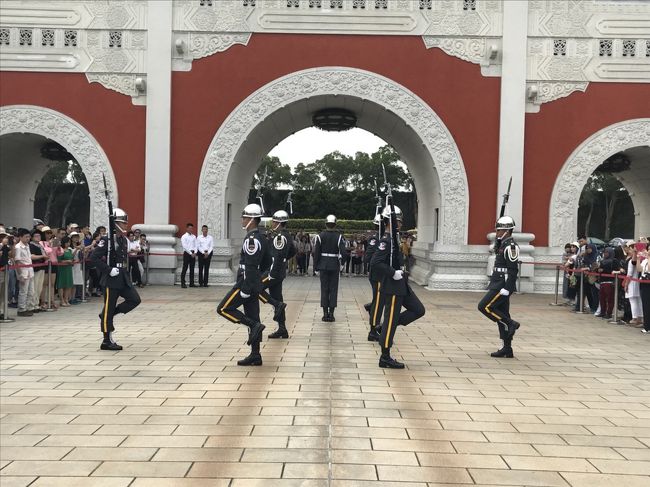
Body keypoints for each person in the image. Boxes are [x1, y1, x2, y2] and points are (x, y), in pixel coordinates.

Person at [370, 205, 425, 368]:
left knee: (418, 310)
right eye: (397, 221)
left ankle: (384, 326)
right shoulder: (386, 241)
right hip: (393, 286)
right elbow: (375, 262)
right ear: (389, 222)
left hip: (401, 285)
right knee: (390, 319)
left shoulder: (394, 238)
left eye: (400, 221)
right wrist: (392, 272)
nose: (400, 224)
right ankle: (385, 357)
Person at [217, 203, 271, 366]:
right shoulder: (262, 237)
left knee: (224, 308)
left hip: (245, 283)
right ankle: (255, 354)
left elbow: (251, 266)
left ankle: (253, 326)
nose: (242, 220)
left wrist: (246, 288)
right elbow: (267, 262)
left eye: (245, 217)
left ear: (252, 220)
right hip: (254, 283)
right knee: (253, 315)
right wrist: (256, 282)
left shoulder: (252, 240)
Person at [91, 208, 142, 351]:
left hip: (122, 277)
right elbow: (93, 258)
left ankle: (108, 314)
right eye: (123, 222)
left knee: (135, 300)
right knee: (109, 305)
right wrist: (108, 270)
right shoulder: (107, 240)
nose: (126, 225)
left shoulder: (123, 240)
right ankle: (106, 340)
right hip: (111, 278)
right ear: (115, 223)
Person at [478, 216, 521, 358]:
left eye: (499, 230)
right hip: (497, 282)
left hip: (502, 285)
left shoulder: (511, 247)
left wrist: (508, 289)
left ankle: (511, 324)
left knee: (484, 307)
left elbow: (513, 270)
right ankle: (507, 348)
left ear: (507, 231)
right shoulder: (502, 244)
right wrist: (497, 243)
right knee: (502, 313)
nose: (497, 232)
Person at [259, 210, 296, 339]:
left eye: (274, 221)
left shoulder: (280, 237)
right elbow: (293, 251)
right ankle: (282, 328)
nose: (272, 223)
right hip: (279, 272)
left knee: (255, 288)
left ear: (279, 223)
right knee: (277, 297)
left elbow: (278, 256)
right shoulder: (287, 235)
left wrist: (272, 273)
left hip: (273, 272)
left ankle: (276, 305)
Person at [313, 215, 348, 322]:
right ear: (335, 224)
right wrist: (341, 264)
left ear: (326, 224)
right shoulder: (339, 237)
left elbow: (316, 254)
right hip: (334, 265)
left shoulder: (320, 236)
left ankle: (325, 314)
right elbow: (344, 253)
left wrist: (316, 267)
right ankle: (331, 314)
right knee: (333, 290)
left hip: (323, 265)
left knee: (324, 289)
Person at [364, 214, 384, 342]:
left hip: (384, 276)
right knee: (379, 302)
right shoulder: (375, 239)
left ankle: (371, 307)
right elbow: (367, 258)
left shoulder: (386, 237)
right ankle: (373, 330)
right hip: (377, 276)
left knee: (380, 301)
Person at [596, 247, 622, 320]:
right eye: (604, 252)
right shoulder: (602, 260)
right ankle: (603, 312)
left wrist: (603, 270)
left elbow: (615, 270)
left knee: (610, 299)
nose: (605, 253)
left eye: (607, 252)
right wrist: (598, 270)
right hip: (602, 281)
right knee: (602, 298)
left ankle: (609, 313)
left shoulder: (614, 261)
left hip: (610, 282)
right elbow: (599, 270)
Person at [14, 228, 35, 317]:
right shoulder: (18, 247)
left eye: (29, 237)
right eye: (26, 237)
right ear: (21, 237)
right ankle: (21, 309)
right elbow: (17, 262)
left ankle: (28, 307)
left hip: (30, 270)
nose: (28, 239)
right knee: (23, 291)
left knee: (31, 291)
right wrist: (20, 275)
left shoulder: (27, 246)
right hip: (23, 271)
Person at [29, 230, 47, 312]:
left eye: (39, 236)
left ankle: (36, 304)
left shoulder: (40, 245)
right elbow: (32, 256)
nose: (38, 237)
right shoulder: (31, 245)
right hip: (35, 268)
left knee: (39, 287)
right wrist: (42, 256)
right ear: (32, 237)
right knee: (35, 287)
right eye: (36, 236)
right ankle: (32, 305)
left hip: (42, 267)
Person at [56, 236, 74, 307]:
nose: (68, 244)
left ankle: (66, 299)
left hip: (69, 269)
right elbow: (58, 260)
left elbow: (72, 258)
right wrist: (67, 261)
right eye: (67, 242)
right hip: (62, 269)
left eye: (69, 242)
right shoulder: (61, 250)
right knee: (61, 284)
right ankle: (62, 300)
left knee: (68, 284)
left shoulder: (69, 250)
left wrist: (71, 261)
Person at [637, 242, 650, 334]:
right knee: (645, 305)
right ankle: (647, 326)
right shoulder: (645, 260)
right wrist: (638, 259)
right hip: (644, 284)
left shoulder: (648, 260)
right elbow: (639, 269)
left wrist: (648, 257)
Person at [180, 223, 197, 288]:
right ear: (187, 228)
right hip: (187, 253)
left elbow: (196, 245)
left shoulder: (194, 236)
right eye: (189, 228)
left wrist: (195, 252)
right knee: (185, 268)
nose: (191, 229)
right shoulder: (184, 236)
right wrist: (190, 253)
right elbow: (185, 246)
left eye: (191, 228)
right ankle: (183, 283)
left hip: (193, 253)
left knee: (192, 269)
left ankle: (191, 283)